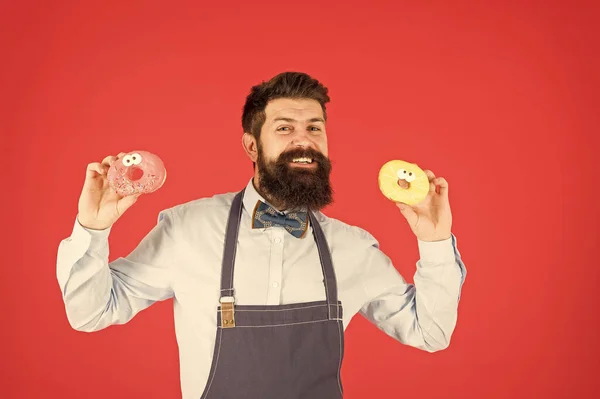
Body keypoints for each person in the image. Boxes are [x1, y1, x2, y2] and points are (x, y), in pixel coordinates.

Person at [56, 71, 467, 399]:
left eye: (315, 128)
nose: (304, 140)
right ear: (252, 146)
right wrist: (92, 228)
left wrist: (434, 242)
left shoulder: (352, 247)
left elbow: (429, 332)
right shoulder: (188, 229)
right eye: (285, 128)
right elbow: (91, 313)